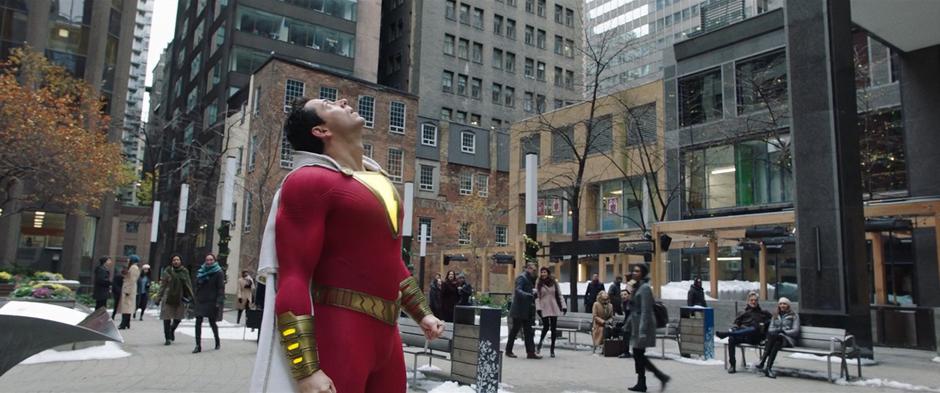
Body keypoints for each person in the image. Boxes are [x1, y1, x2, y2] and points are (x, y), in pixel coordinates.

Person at [250, 97, 443, 393]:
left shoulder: (378, 180)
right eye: (329, 104)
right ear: (320, 130)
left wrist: (422, 313)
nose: (342, 101)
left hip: (387, 337)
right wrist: (305, 369)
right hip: (340, 332)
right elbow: (294, 276)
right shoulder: (308, 181)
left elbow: (390, 261)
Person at [628, 264, 670, 392]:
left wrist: (642, 331)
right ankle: (647, 380)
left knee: (638, 354)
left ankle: (656, 378)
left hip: (643, 326)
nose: (634, 273)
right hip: (637, 325)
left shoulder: (645, 288)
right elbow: (633, 308)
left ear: (643, 273)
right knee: (638, 354)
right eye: (634, 270)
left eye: (637, 271)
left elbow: (646, 311)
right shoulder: (637, 287)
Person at [716, 291, 771, 373]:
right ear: (748, 301)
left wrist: (764, 325)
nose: (753, 302)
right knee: (731, 339)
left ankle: (727, 334)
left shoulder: (763, 313)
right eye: (751, 300)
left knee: (754, 328)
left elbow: (772, 322)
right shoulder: (743, 313)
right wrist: (737, 328)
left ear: (758, 301)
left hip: (755, 338)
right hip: (744, 337)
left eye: (755, 300)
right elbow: (736, 325)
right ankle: (732, 365)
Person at [756, 297, 800, 378]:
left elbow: (796, 331)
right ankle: (768, 369)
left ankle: (763, 361)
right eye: (780, 304)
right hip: (776, 339)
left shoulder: (794, 315)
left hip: (788, 339)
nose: (782, 305)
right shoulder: (775, 315)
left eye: (784, 304)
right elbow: (770, 329)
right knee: (776, 342)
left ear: (788, 305)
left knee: (776, 338)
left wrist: (784, 331)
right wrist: (778, 330)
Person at [506, 263, 541, 359]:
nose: (533, 271)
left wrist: (534, 294)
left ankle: (530, 352)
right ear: (527, 268)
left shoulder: (529, 278)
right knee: (515, 330)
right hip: (519, 309)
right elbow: (518, 291)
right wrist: (530, 295)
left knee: (529, 331)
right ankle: (508, 350)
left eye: (534, 270)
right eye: (532, 269)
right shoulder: (522, 277)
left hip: (527, 309)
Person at [158, 254, 193, 346]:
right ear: (171, 262)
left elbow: (188, 284)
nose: (176, 261)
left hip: (180, 297)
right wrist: (158, 298)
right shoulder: (167, 271)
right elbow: (163, 286)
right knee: (166, 318)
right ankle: (167, 338)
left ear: (180, 261)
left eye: (177, 260)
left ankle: (172, 329)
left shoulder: (184, 271)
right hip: (168, 297)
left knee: (178, 317)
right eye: (174, 260)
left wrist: (191, 297)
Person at [193, 253, 225, 353]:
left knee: (212, 322)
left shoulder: (219, 272)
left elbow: (220, 288)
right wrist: (199, 282)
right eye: (207, 260)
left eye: (211, 260)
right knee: (198, 321)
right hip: (201, 299)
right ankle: (198, 345)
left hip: (212, 301)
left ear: (214, 261)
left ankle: (217, 340)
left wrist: (219, 301)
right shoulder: (201, 271)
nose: (209, 262)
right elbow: (196, 284)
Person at [535, 267, 566, 358]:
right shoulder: (539, 283)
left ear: (548, 273)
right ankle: (539, 345)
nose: (543, 274)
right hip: (543, 306)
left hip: (553, 306)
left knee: (553, 328)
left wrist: (563, 306)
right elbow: (537, 297)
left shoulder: (554, 282)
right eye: (541, 272)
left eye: (544, 272)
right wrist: (538, 308)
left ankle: (552, 349)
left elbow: (559, 294)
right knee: (545, 326)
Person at [117, 255, 140, 330]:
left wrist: (128, 291)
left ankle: (124, 323)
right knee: (128, 307)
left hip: (128, 289)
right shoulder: (134, 267)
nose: (127, 260)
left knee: (126, 308)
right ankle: (127, 323)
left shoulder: (133, 267)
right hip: (129, 289)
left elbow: (132, 280)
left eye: (129, 259)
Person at [618, 277, 638, 359]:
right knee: (616, 329)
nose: (623, 296)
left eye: (625, 294)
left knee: (625, 332)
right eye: (622, 295)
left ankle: (626, 352)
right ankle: (617, 349)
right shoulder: (626, 302)